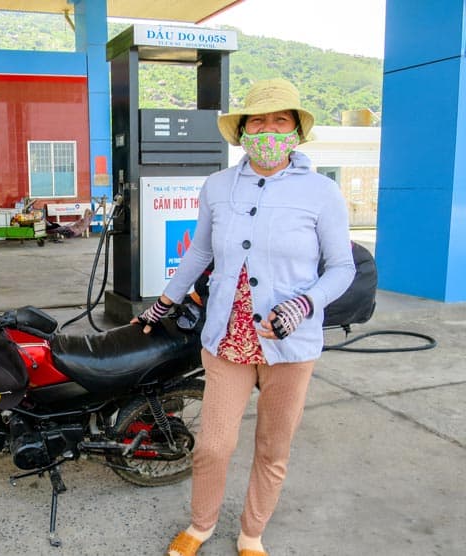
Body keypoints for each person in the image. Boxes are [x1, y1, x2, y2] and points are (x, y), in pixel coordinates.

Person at [132, 78, 356, 556]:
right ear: (243, 130)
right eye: (259, 120)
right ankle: (201, 525)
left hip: (288, 345)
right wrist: (162, 303)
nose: (269, 129)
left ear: (295, 131)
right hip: (227, 339)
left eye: (281, 120)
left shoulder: (322, 192)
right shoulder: (217, 186)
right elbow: (199, 253)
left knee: (273, 450)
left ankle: (252, 533)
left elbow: (341, 268)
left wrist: (304, 304)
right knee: (213, 446)